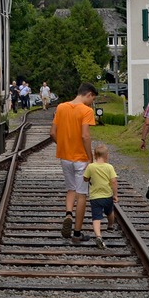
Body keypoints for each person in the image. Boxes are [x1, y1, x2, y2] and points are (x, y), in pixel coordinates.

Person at [53, 83, 98, 242]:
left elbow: (52, 133)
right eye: (92, 99)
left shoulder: (61, 107)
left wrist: (64, 145)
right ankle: (77, 234)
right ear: (89, 94)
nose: (91, 103)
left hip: (65, 158)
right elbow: (85, 136)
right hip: (80, 159)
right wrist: (90, 158)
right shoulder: (86, 111)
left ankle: (68, 214)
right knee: (82, 194)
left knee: (70, 189)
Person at [82, 142, 118, 249]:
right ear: (106, 156)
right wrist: (115, 195)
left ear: (95, 155)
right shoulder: (109, 167)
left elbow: (85, 178)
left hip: (95, 197)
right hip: (107, 196)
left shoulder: (91, 167)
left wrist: (88, 177)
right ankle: (110, 226)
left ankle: (98, 235)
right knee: (110, 212)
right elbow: (114, 181)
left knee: (96, 217)